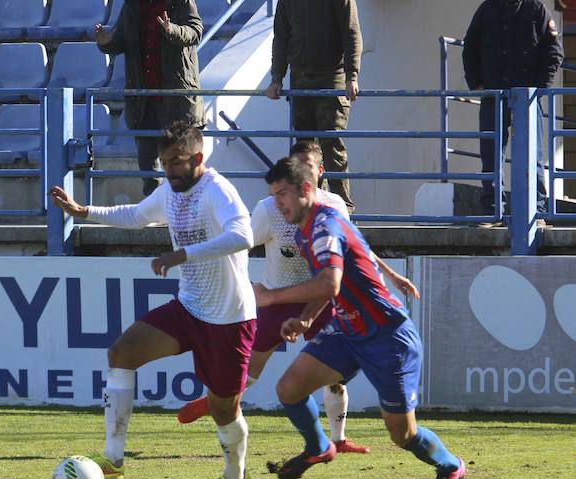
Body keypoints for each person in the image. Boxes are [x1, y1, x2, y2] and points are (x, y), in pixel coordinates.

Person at [49, 121, 256, 479]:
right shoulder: (170, 191)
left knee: (224, 407)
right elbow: (136, 215)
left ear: (197, 158)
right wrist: (83, 210)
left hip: (229, 317)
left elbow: (243, 236)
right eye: (164, 163)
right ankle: (112, 460)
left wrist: (183, 254)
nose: (169, 170)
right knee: (121, 353)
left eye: (176, 162)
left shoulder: (217, 190)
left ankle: (235, 476)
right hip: (189, 306)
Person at [177, 141, 420, 455]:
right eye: (297, 163)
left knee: (335, 376)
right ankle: (216, 400)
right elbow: (241, 243)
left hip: (320, 297)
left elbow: (356, 246)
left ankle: (338, 439)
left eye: (308, 164)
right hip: (278, 297)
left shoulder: (334, 205)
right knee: (249, 370)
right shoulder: (270, 208)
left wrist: (391, 275)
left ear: (319, 172)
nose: (301, 169)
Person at [263, 156, 466, 479]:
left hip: (388, 337)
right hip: (348, 331)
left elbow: (329, 283)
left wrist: (270, 297)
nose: (277, 202)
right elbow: (333, 284)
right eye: (273, 195)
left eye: (282, 193)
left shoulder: (324, 226)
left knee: (402, 435)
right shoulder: (305, 231)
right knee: (289, 389)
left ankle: (450, 466)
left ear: (306, 189)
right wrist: (307, 318)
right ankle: (318, 447)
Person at [462, 0, 563, 224]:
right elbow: (470, 46)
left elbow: (554, 52)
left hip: (526, 97)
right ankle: (492, 210)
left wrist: (538, 89)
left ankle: (536, 211)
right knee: (491, 154)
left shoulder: (537, 9)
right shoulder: (487, 9)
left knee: (532, 155)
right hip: (494, 96)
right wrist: (477, 83)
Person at [95, 0, 205, 197]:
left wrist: (172, 29)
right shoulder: (131, 6)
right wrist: (105, 41)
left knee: (183, 165)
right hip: (143, 99)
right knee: (148, 166)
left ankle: (188, 215)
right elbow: (120, 40)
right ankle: (157, 213)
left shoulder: (182, 2)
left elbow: (195, 32)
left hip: (176, 98)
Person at [268, 0, 361, 214]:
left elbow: (351, 33)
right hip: (300, 77)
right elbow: (281, 38)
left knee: (331, 143)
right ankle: (307, 207)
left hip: (332, 76)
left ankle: (342, 210)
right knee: (303, 148)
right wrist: (277, 78)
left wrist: (351, 76)